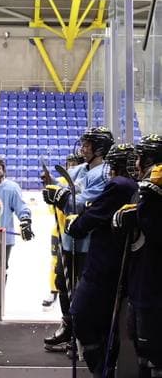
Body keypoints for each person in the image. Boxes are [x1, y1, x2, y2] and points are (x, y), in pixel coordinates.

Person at [64, 144, 138, 377]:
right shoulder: (134, 186)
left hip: (104, 265)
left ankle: (101, 371)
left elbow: (87, 221)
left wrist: (76, 223)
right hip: (116, 265)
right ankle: (104, 369)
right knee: (106, 325)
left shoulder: (120, 185)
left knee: (81, 315)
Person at [42, 127, 114, 352]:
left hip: (88, 242)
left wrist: (62, 196)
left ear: (100, 148)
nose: (83, 148)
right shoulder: (79, 169)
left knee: (82, 289)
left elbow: (83, 202)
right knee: (64, 284)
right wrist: (51, 185)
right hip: (69, 238)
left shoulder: (104, 173)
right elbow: (63, 191)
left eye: (88, 144)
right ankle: (68, 327)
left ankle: (82, 334)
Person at [112, 134, 162, 378]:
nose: (137, 162)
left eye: (141, 157)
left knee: (153, 352)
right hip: (139, 283)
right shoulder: (144, 191)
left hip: (152, 286)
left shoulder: (153, 193)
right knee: (141, 345)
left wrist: (146, 207)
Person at [42, 152, 85, 309]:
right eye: (69, 164)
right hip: (59, 230)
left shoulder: (82, 182)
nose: (71, 167)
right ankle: (53, 291)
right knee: (57, 263)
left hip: (76, 231)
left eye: (74, 164)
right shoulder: (60, 181)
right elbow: (50, 206)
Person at [0, 156, 34, 270]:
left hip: (4, 238)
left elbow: (21, 206)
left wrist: (25, 220)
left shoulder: (12, 188)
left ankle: (1, 288)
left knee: (0, 269)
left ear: (4, 170)